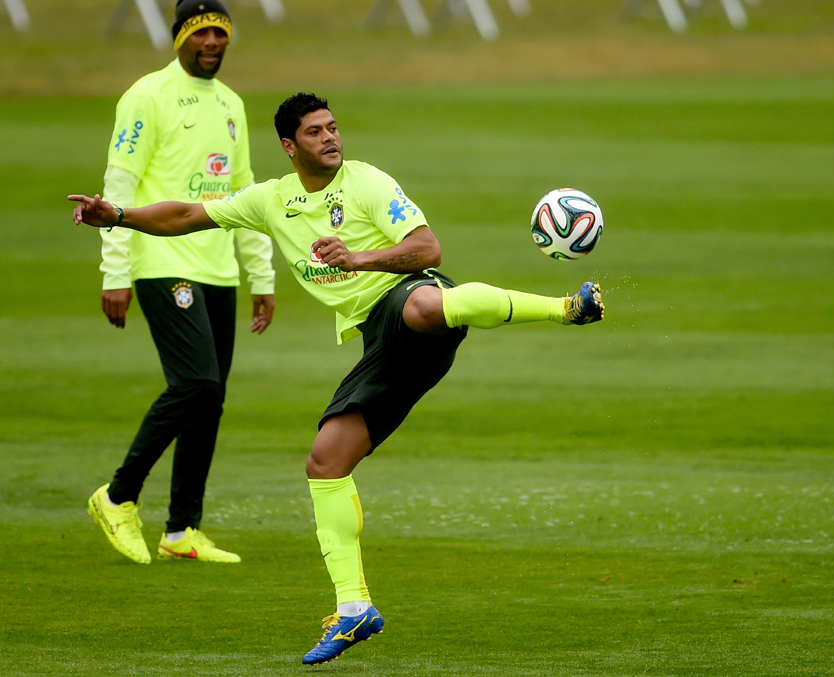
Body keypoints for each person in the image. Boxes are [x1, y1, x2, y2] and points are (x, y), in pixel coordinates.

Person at [70, 93, 604, 662]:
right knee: (325, 461)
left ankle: (569, 306)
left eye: (333, 127)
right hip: (383, 344)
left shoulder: (367, 182)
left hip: (407, 301)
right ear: (288, 145)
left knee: (423, 306)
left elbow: (428, 247)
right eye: (315, 131)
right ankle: (354, 609)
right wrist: (119, 217)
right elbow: (186, 215)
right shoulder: (271, 199)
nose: (330, 137)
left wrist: (358, 259)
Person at [85, 0, 276, 566]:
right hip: (161, 261)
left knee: (210, 398)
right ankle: (117, 496)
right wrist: (115, 272)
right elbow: (117, 184)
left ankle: (181, 530)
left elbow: (245, 194)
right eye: (201, 33)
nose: (213, 42)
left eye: (221, 33)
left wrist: (260, 275)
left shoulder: (232, 105)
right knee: (195, 383)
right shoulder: (147, 96)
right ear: (180, 38)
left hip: (218, 269)